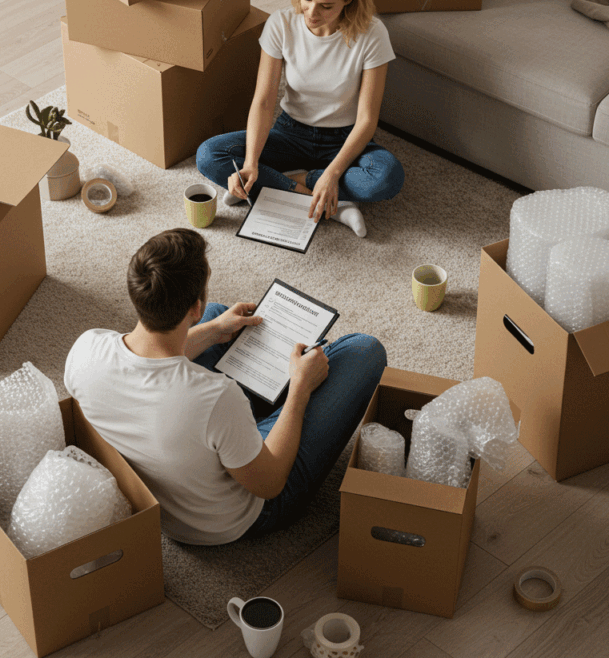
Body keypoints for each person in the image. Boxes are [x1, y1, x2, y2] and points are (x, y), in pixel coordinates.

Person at [64, 228, 386, 545]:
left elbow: (150, 362)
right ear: (194, 307)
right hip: (238, 515)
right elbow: (270, 484)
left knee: (220, 315)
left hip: (172, 490)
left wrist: (214, 329)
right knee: (364, 351)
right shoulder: (217, 397)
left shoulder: (85, 348)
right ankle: (282, 396)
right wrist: (300, 389)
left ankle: (254, 406)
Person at [196, 0, 404, 238]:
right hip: (290, 133)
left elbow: (367, 119)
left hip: (343, 138)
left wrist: (331, 174)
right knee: (208, 154)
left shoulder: (372, 34)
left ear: (349, 0)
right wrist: (251, 163)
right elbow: (265, 101)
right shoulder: (281, 24)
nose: (312, 12)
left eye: (326, 6)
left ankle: (284, 184)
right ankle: (330, 202)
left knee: (386, 178)